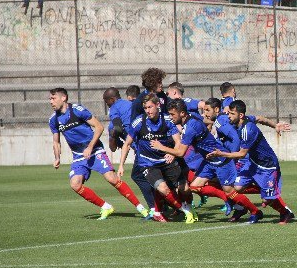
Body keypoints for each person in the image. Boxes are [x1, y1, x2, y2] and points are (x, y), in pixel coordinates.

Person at [151, 99, 265, 223]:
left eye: (173, 114)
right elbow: (204, 121)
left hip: (221, 160)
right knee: (194, 186)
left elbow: (181, 153)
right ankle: (236, 203)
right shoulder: (191, 118)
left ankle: (255, 211)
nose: (170, 117)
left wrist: (161, 147)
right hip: (209, 161)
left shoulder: (190, 127)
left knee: (229, 191)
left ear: (182, 113)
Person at [49, 88, 148, 220]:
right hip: (79, 156)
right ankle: (106, 207)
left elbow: (99, 127)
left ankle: (141, 209)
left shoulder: (77, 111)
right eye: (50, 99)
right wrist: (57, 158)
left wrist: (90, 147)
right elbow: (56, 142)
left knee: (112, 179)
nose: (51, 101)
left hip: (95, 151)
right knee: (75, 184)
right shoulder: (53, 120)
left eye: (53, 98)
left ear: (64, 98)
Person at [208, 100, 295, 224]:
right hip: (252, 163)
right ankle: (262, 191)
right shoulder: (245, 120)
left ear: (241, 115)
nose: (229, 116)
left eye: (232, 114)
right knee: (237, 187)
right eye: (229, 113)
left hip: (267, 166)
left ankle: (285, 213)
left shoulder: (248, 130)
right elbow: (260, 118)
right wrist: (275, 125)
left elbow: (242, 153)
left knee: (267, 200)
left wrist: (221, 154)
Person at [119, 93, 195, 223]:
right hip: (148, 163)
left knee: (185, 189)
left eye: (150, 107)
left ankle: (184, 208)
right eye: (145, 108)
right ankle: (185, 211)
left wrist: (172, 153)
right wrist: (121, 165)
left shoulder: (167, 120)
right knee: (163, 189)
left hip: (166, 160)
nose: (148, 111)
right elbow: (127, 144)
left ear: (158, 105)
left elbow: (178, 141)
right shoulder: (139, 122)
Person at [103, 87, 156, 212]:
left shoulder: (114, 108)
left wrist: (116, 140)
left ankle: (155, 208)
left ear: (111, 99)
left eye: (106, 101)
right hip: (151, 141)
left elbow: (117, 128)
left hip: (141, 148)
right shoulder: (131, 104)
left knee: (138, 176)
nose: (107, 104)